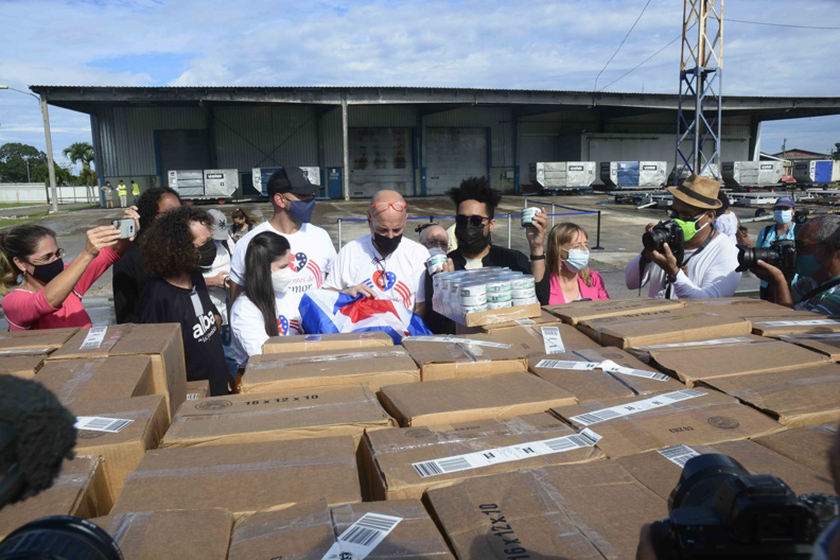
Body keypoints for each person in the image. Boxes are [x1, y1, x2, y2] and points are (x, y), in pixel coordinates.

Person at [423, 176, 536, 334]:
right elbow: (435, 327)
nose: (468, 226)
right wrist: (446, 292)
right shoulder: (442, 269)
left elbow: (540, 303)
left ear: (491, 225)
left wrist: (536, 247)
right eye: (462, 220)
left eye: (476, 220)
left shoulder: (513, 261)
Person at [138, 207, 229, 397]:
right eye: (205, 243)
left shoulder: (194, 275)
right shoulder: (157, 298)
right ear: (181, 249)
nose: (211, 248)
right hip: (192, 401)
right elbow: (158, 365)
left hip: (219, 389)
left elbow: (211, 319)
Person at [0, 208, 139, 330]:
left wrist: (126, 230)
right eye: (46, 257)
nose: (55, 260)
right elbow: (45, 302)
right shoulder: (13, 302)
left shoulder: (70, 278)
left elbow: (111, 253)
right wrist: (87, 253)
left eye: (57, 253)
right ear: (21, 263)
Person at [625, 173, 741, 299]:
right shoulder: (668, 241)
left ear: (710, 216)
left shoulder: (727, 252)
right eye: (674, 213)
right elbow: (631, 283)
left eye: (687, 216)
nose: (678, 221)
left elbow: (709, 302)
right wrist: (648, 253)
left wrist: (674, 272)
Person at [229, 167, 335, 301]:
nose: (309, 200)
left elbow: (332, 285)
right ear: (280, 199)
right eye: (302, 196)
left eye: (311, 195)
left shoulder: (321, 237)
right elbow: (236, 300)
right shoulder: (250, 242)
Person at [324, 190, 430, 315]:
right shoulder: (350, 251)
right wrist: (345, 293)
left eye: (397, 230)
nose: (390, 236)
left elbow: (421, 306)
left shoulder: (417, 254)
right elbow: (325, 296)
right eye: (383, 230)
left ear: (405, 220)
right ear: (369, 221)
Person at [230, 232, 302, 375]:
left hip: (291, 369)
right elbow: (264, 356)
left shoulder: (283, 294)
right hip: (261, 377)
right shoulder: (244, 310)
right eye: (283, 266)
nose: (289, 272)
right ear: (264, 269)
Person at [113, 187, 182, 323]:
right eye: (169, 213)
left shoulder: (183, 247)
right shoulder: (129, 255)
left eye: (181, 211)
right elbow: (126, 314)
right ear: (150, 217)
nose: (179, 218)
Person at [752, 215, 840, 315]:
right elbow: (773, 314)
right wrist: (777, 279)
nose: (794, 252)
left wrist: (779, 282)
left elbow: (792, 327)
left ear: (827, 251)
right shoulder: (806, 284)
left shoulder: (837, 296)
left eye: (800, 246)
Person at [200, 209, 237, 378]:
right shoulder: (194, 247)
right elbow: (183, 280)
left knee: (232, 358)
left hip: (228, 312)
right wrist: (212, 281)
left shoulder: (228, 242)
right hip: (207, 316)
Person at [534, 222, 609, 305]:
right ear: (558, 250)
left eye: (586, 245)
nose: (584, 250)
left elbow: (609, 310)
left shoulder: (593, 279)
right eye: (577, 246)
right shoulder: (545, 284)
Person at [743, 196, 797, 300]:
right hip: (767, 283)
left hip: (793, 283)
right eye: (778, 209)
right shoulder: (766, 231)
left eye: (785, 209)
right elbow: (756, 254)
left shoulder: (799, 230)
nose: (782, 212)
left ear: (793, 211)